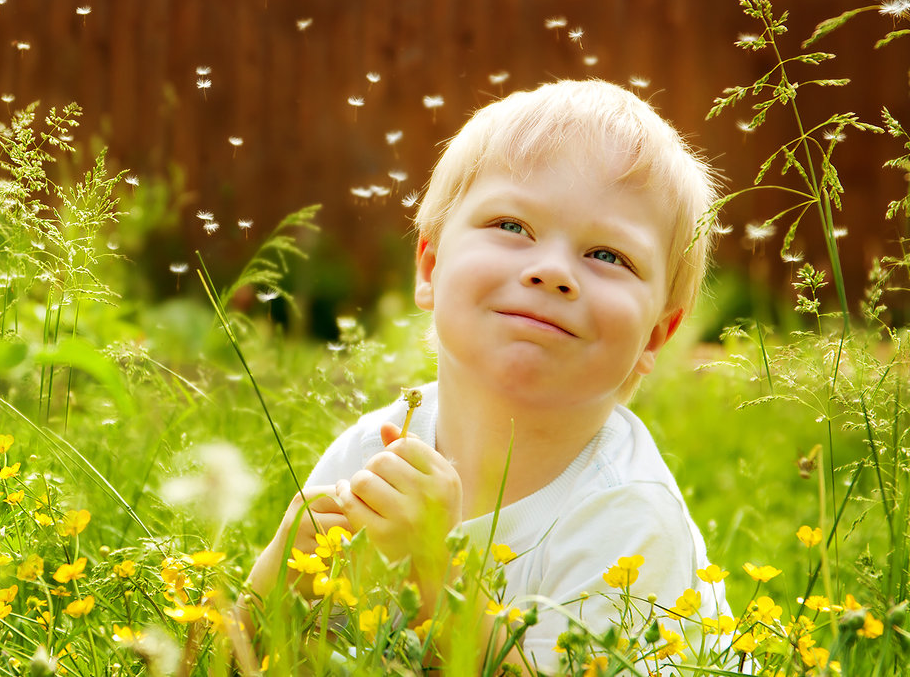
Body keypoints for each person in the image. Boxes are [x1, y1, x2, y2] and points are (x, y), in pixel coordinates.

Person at [244, 79, 729, 672]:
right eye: (511, 226)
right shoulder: (376, 452)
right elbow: (242, 658)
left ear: (655, 335)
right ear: (429, 266)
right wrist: (273, 585)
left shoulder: (624, 516)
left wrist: (438, 578)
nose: (551, 271)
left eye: (608, 256)